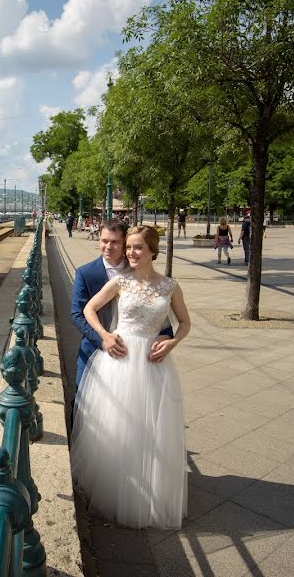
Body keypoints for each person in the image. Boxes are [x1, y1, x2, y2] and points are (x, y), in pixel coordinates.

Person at [70, 225, 191, 529]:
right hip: (120, 358)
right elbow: (87, 310)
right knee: (119, 425)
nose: (131, 253)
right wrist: (105, 335)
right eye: (129, 248)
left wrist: (173, 341)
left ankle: (151, 495)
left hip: (153, 361)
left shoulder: (170, 286)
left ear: (153, 250)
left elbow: (185, 322)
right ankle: (119, 489)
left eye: (137, 247)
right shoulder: (121, 282)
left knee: (151, 427)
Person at [70, 219, 173, 389]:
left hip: (136, 355)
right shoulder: (85, 273)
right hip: (95, 347)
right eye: (104, 241)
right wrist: (103, 339)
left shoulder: (140, 266)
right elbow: (77, 314)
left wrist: (167, 335)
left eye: (115, 242)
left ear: (125, 242)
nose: (108, 246)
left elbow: (157, 307)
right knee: (83, 403)